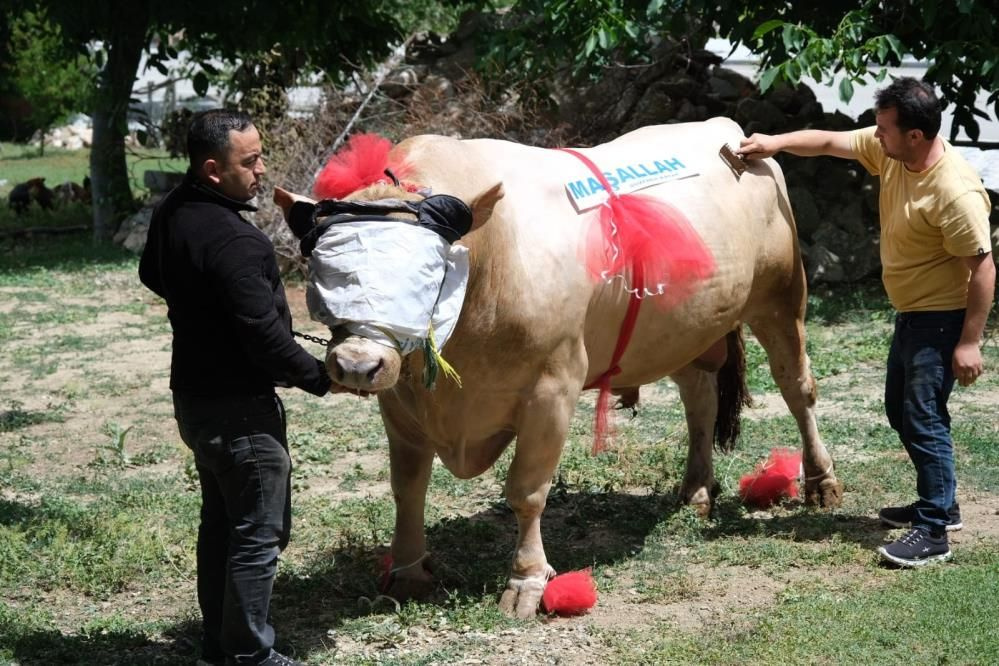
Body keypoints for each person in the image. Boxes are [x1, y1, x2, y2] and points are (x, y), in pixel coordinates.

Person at [738, 77, 994, 568]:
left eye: (883, 128)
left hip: (941, 321)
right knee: (902, 412)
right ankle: (941, 503)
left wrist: (970, 342)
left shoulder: (954, 192)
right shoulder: (893, 153)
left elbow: (982, 268)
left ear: (914, 135)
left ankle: (935, 529)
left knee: (923, 419)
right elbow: (831, 142)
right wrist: (776, 144)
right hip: (913, 316)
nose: (874, 135)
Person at [139, 109, 331, 665]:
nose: (262, 170)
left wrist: (200, 307)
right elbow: (265, 339)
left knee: (223, 523)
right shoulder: (236, 242)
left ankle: (219, 647)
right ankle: (248, 655)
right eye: (250, 162)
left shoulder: (174, 209)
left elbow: (153, 273)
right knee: (258, 532)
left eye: (261, 155)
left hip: (195, 401)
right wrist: (322, 378)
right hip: (240, 412)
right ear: (212, 169)